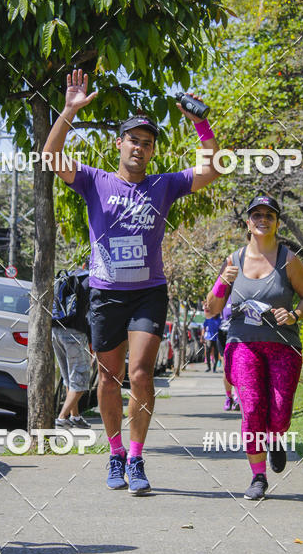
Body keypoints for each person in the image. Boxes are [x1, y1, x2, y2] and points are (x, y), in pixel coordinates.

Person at [47, 69, 222, 494]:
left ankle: (137, 457)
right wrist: (69, 111)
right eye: (133, 140)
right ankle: (115, 453)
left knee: (141, 374)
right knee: (109, 378)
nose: (139, 147)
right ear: (119, 144)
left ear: (152, 151)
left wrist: (201, 125)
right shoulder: (94, 180)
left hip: (148, 292)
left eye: (147, 143)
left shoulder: (164, 185)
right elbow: (51, 157)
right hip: (106, 293)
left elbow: (213, 169)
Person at [205, 194, 303, 500]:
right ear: (248, 222)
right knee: (252, 409)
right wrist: (221, 282)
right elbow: (212, 309)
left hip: (283, 345)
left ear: (277, 223)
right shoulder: (234, 260)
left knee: (279, 413)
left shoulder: (289, 260)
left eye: (269, 215)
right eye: (257, 215)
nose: (263, 220)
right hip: (243, 344)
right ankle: (258, 477)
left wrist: (294, 314)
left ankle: (276, 438)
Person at [52, 266, 93, 429]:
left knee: (69, 377)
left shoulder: (70, 276)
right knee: (81, 378)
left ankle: (75, 416)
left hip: (56, 330)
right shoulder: (92, 281)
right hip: (75, 333)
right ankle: (62, 417)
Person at [217, 299, 239, 411]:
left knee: (238, 368)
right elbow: (209, 314)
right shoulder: (223, 293)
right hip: (223, 334)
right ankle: (228, 396)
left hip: (239, 334)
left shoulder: (243, 291)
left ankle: (237, 397)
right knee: (227, 369)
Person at [202, 306, 221, 372]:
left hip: (217, 338)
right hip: (209, 338)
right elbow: (204, 327)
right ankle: (209, 367)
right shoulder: (208, 319)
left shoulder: (220, 320)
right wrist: (202, 336)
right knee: (207, 352)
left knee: (216, 353)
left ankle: (214, 368)